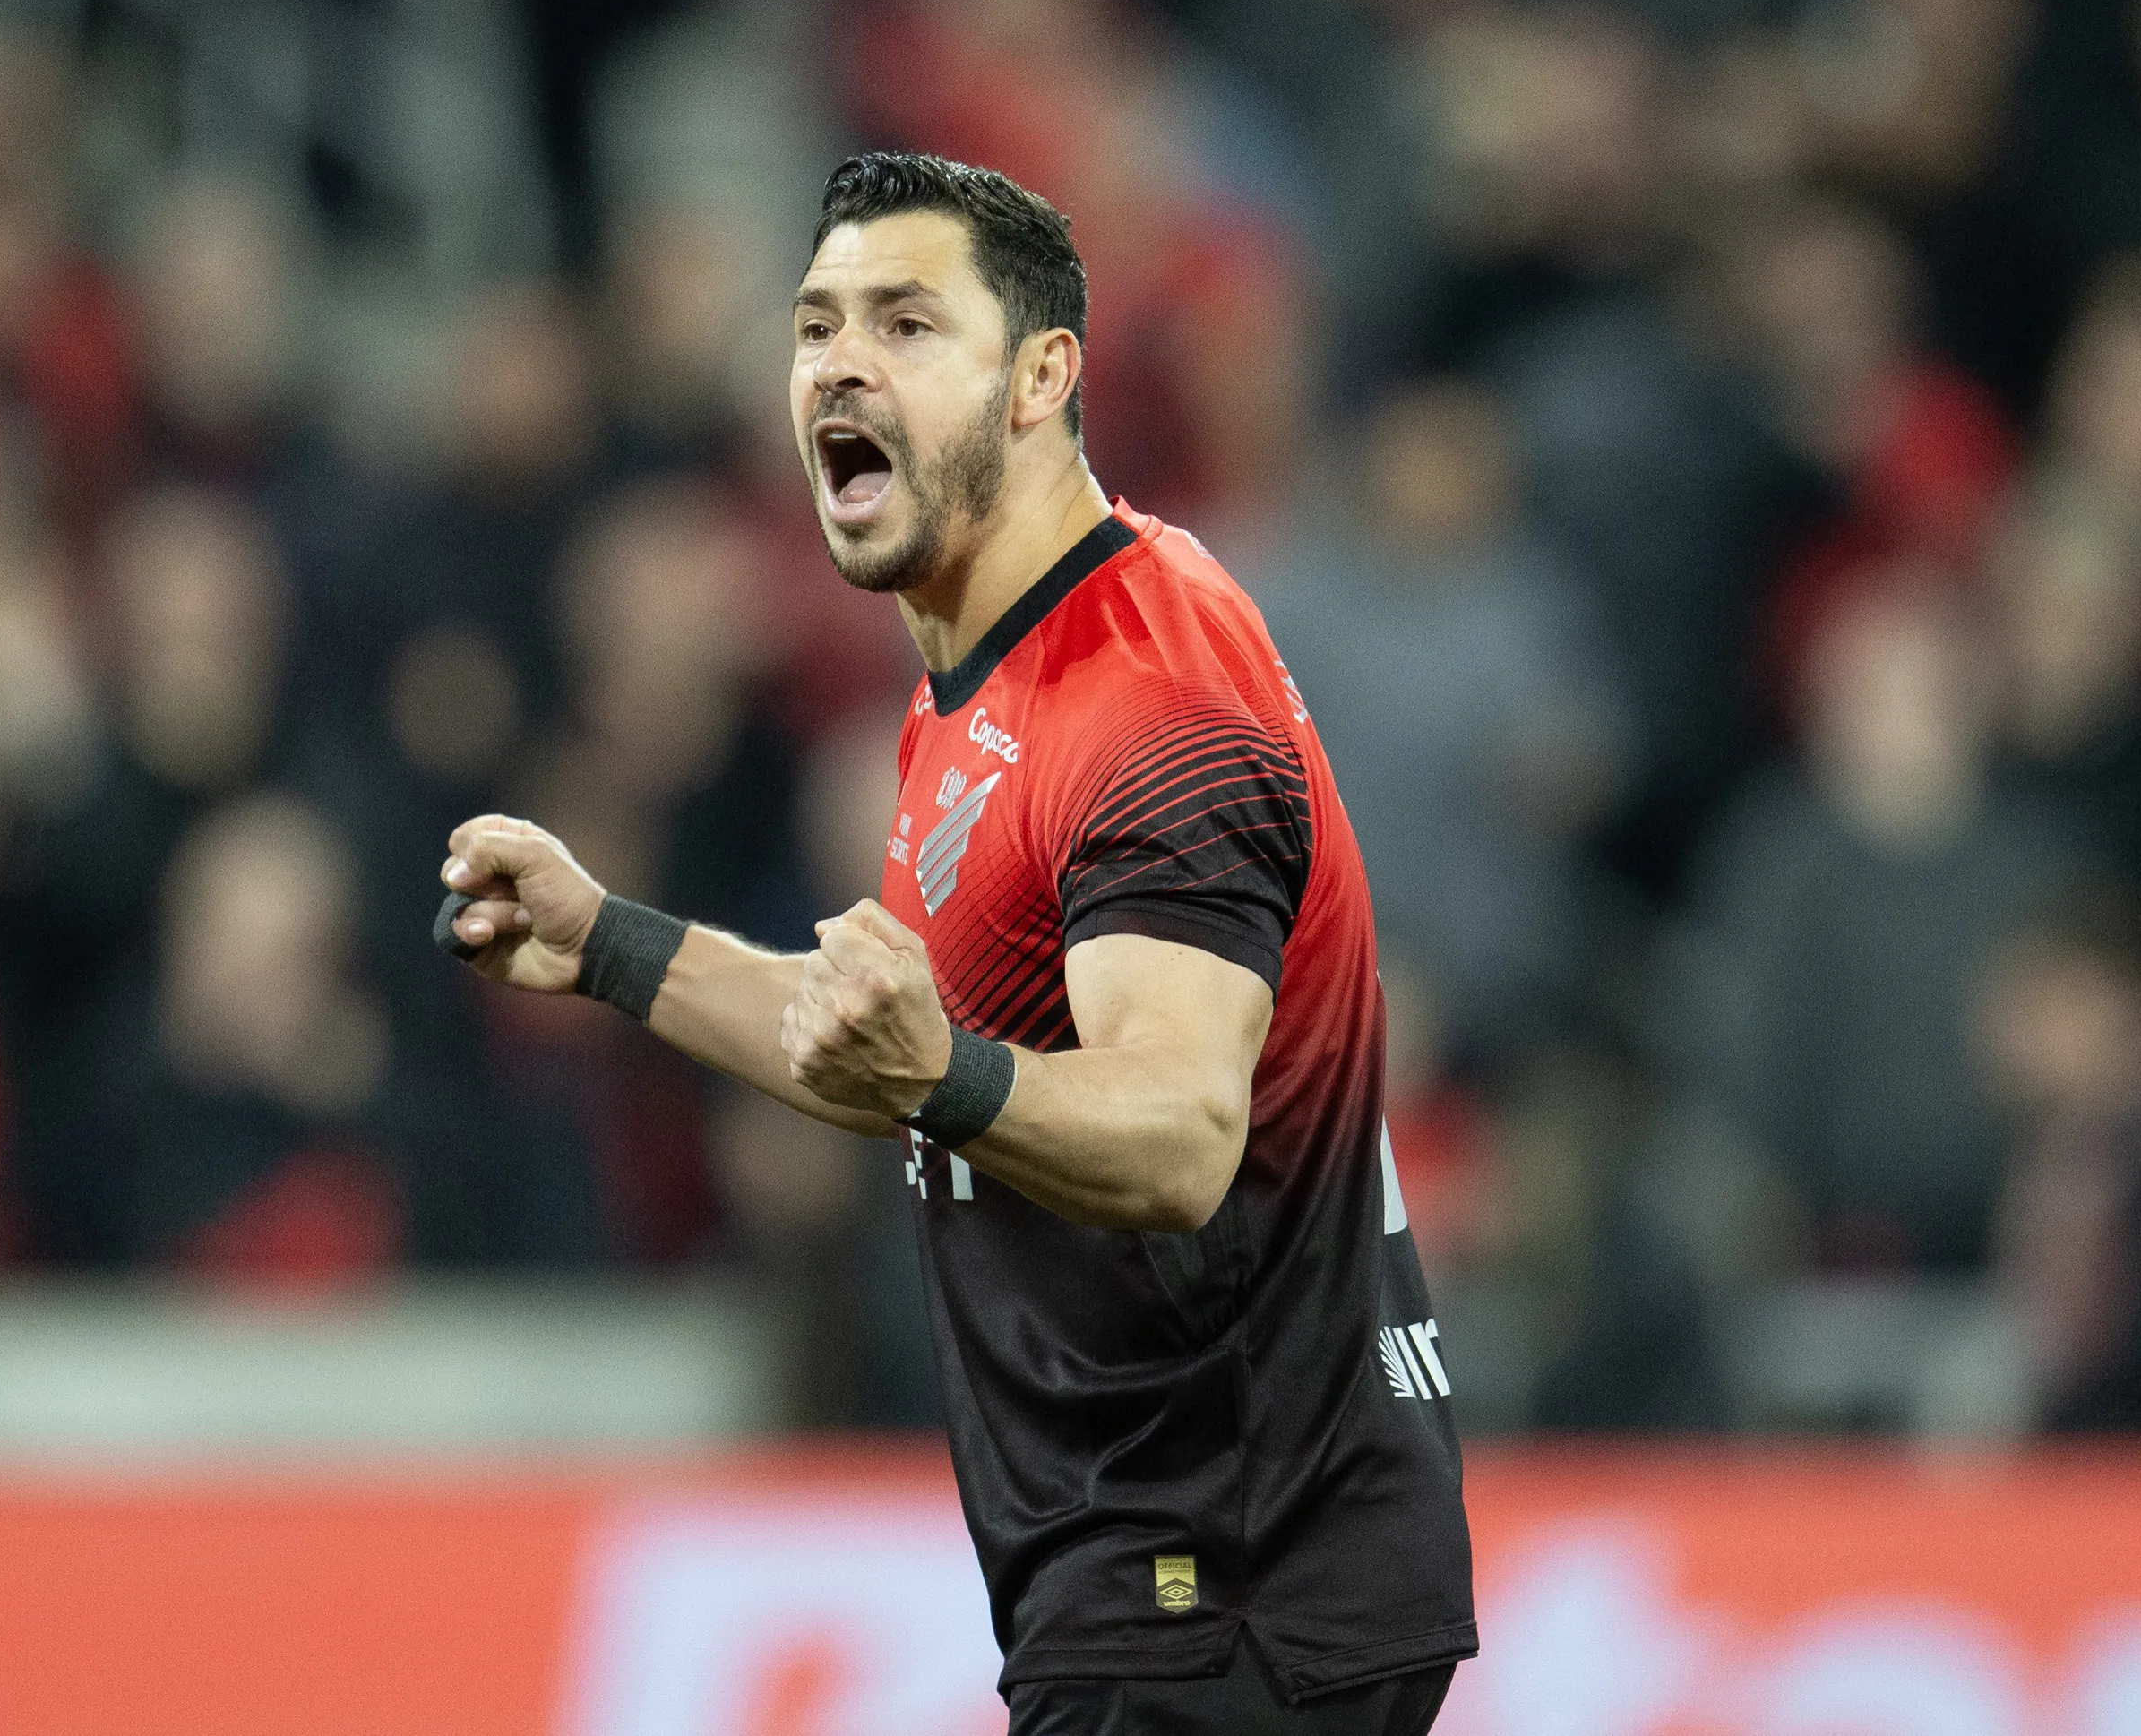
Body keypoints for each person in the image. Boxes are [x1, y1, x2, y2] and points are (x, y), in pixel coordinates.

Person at [436, 152, 1473, 1732]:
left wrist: (940, 1073)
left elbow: (1177, 1131)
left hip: (1223, 1577)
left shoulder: (1145, 704)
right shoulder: (990, 681)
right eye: (814, 326)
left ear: (1041, 377)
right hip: (1168, 1573)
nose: (839, 364)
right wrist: (605, 947)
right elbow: (914, 1066)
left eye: (907, 323)